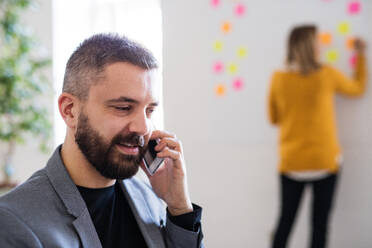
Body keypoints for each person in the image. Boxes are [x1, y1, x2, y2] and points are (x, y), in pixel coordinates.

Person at [0, 33, 204, 248]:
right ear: (70, 111)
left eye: (149, 110)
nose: (143, 127)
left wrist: (179, 209)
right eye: (123, 108)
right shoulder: (13, 221)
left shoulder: (149, 197)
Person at [268, 25, 367, 248]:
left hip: (291, 162)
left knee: (285, 222)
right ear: (312, 47)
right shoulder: (327, 75)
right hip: (325, 161)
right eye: (318, 42)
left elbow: (273, 118)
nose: (322, 46)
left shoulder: (278, 79)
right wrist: (360, 55)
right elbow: (357, 88)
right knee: (319, 226)